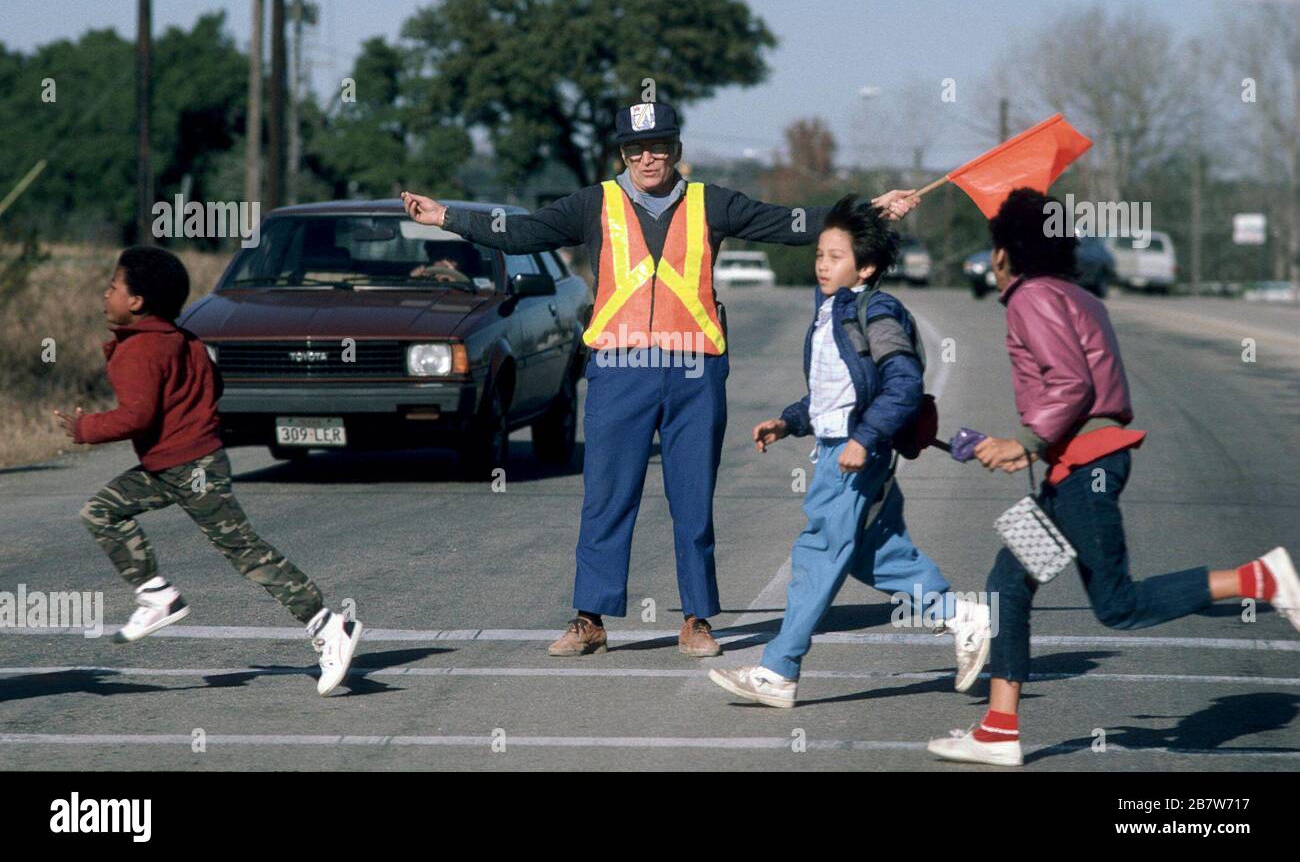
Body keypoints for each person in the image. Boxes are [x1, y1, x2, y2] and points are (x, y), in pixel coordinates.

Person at [402, 100, 919, 658]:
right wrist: (447, 217)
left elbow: (787, 222)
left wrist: (867, 210)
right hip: (619, 371)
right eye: (634, 148)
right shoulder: (592, 204)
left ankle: (697, 618)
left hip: (694, 372)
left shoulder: (711, 203)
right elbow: (524, 232)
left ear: (676, 149)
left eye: (658, 146)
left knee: (692, 498)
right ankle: (589, 619)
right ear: (622, 152)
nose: (646, 157)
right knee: (607, 496)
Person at [926, 188, 1300, 766]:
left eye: (994, 247)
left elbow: (1071, 383)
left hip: (1087, 465)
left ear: (1005, 252)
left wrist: (1024, 442)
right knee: (1008, 584)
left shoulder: (1030, 296)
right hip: (1075, 463)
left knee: (1118, 604)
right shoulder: (1074, 293)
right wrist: (1024, 446)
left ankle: (1259, 578)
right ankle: (999, 730)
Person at [707, 196, 990, 708]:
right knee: (873, 552)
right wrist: (789, 422)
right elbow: (831, 393)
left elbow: (902, 384)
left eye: (834, 256)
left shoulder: (873, 311)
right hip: (843, 446)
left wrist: (863, 439)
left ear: (866, 266)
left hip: (853, 455)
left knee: (816, 554)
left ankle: (778, 669)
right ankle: (960, 615)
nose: (821, 263)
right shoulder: (831, 312)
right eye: (819, 253)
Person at [54, 245, 363, 697]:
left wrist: (84, 427)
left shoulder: (139, 350)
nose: (105, 296)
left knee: (244, 551)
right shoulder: (187, 340)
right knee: (101, 510)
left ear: (136, 302)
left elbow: (136, 417)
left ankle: (328, 623)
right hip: (178, 464)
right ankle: (157, 595)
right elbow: (213, 385)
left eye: (112, 287)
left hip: (187, 466)